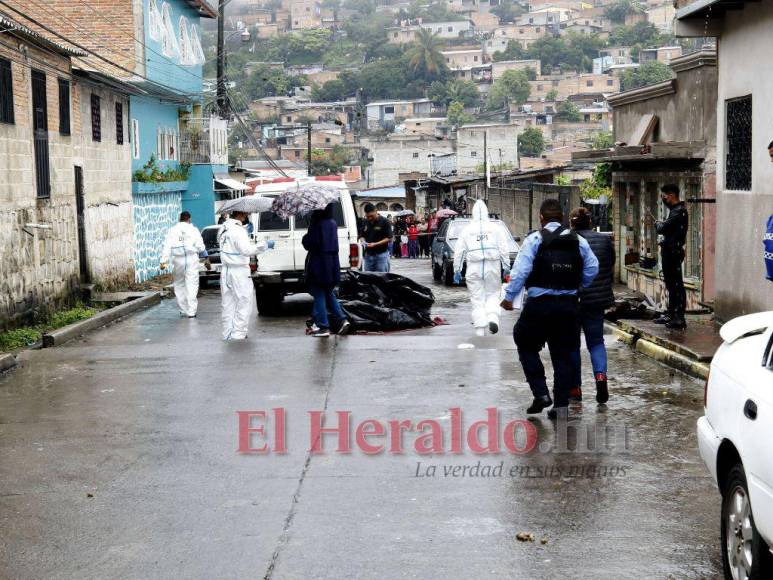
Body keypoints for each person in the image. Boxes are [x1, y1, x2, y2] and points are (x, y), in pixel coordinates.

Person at [501, 199, 599, 420]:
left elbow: (521, 271)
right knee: (563, 355)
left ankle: (541, 393)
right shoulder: (579, 241)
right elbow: (593, 267)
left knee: (524, 342)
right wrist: (578, 285)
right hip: (568, 306)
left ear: (541, 218)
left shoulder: (534, 239)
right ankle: (561, 406)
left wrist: (508, 298)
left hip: (539, 306)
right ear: (563, 218)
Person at [568, 207, 614, 405]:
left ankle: (575, 388)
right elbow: (610, 264)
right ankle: (601, 378)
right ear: (589, 222)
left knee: (572, 345)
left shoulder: (568, 241)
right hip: (597, 300)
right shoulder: (604, 240)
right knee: (596, 342)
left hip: (573, 300)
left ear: (572, 223)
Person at [453, 200, 511, 337]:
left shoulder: (467, 230)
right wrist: (506, 266)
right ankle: (493, 318)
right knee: (493, 294)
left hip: (474, 266)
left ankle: (479, 329)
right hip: (493, 265)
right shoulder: (496, 229)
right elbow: (504, 249)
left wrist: (457, 269)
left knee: (477, 298)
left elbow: (459, 251)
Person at [218, 210, 273, 340]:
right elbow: (246, 250)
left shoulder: (223, 228)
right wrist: (265, 245)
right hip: (239, 271)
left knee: (228, 303)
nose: (247, 216)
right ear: (240, 215)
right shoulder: (238, 230)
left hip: (225, 270)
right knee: (243, 301)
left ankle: (227, 333)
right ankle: (238, 333)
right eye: (246, 214)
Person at [302, 204, 351, 338]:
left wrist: (306, 236)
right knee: (329, 293)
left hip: (319, 263)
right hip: (332, 264)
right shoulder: (332, 223)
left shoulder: (317, 223)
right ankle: (342, 320)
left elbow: (310, 244)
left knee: (319, 294)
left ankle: (323, 327)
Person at [160, 211, 208, 318]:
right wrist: (206, 256)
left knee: (179, 285)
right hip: (191, 260)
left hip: (178, 260)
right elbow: (200, 246)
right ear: (189, 219)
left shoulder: (172, 230)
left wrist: (163, 261)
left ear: (179, 219)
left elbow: (167, 246)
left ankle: (183, 309)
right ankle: (191, 312)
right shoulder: (193, 230)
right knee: (192, 285)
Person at [654, 184, 689, 330]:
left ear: (672, 195)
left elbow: (663, 228)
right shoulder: (674, 211)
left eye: (664, 196)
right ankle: (671, 313)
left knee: (676, 284)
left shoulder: (678, 212)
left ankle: (678, 317)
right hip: (669, 251)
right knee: (670, 284)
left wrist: (658, 225)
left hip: (673, 252)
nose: (663, 199)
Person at [360, 203, 393, 272]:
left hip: (381, 256)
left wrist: (375, 244)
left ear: (376, 211)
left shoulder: (385, 221)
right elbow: (362, 235)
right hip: (368, 256)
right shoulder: (365, 221)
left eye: (371, 216)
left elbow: (389, 238)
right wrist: (363, 241)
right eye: (367, 216)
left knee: (381, 278)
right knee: (368, 279)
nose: (369, 218)